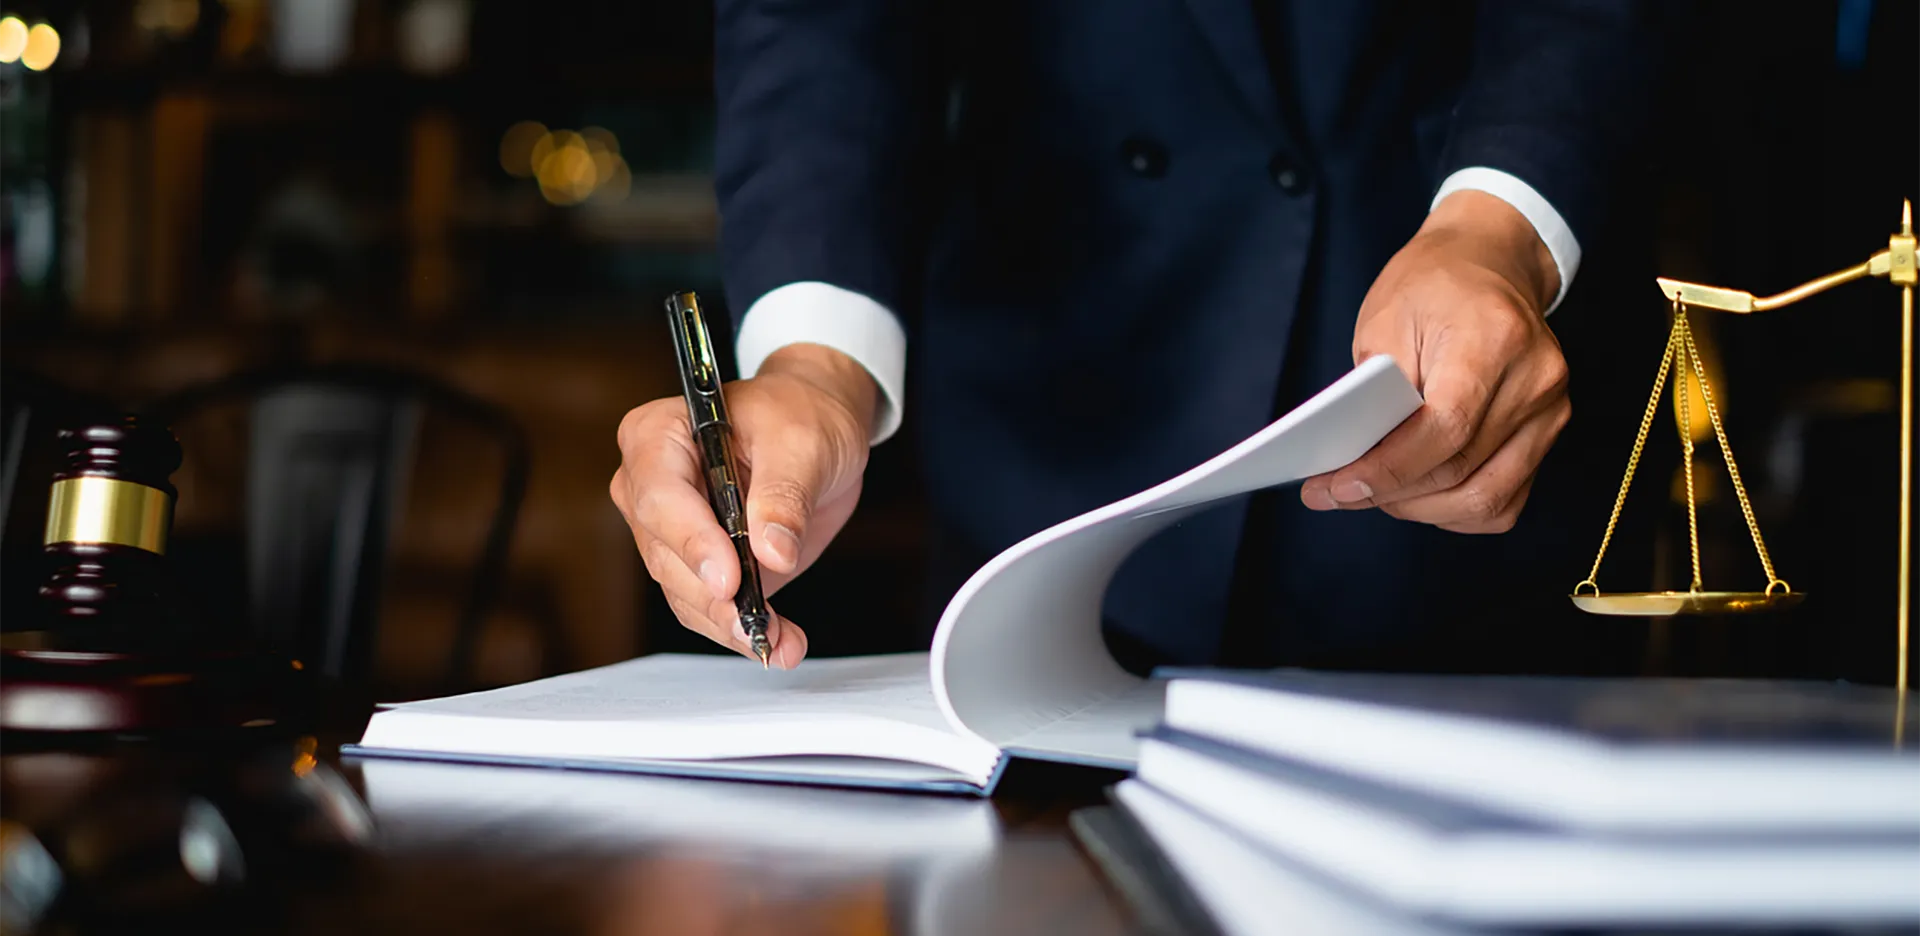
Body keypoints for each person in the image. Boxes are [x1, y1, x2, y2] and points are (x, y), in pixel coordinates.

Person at [612, 1, 1668, 674]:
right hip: (1051, 492)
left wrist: (1497, 229)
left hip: (1460, 472)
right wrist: (812, 366)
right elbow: (824, 29)